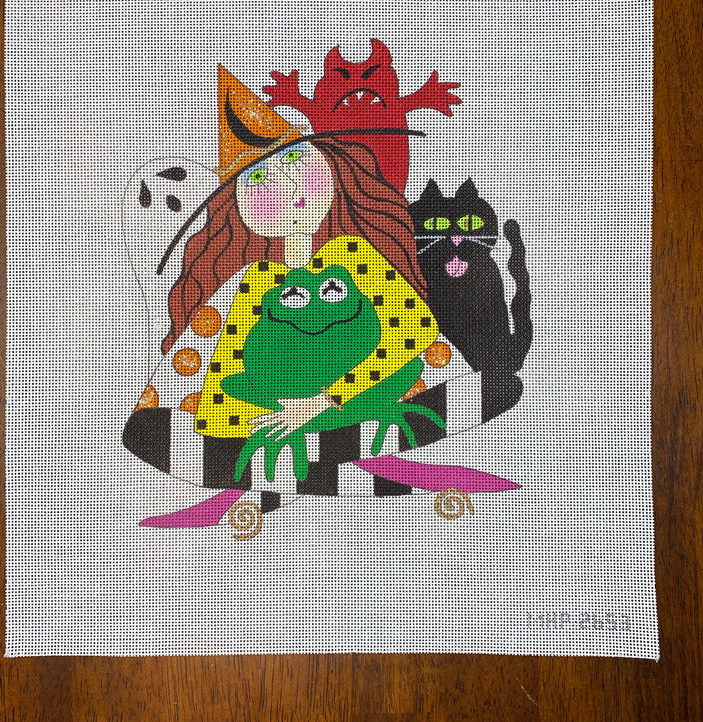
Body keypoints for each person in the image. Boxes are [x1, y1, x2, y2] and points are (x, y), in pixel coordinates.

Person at [123, 68, 519, 528]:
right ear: (236, 209)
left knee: (479, 388)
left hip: (364, 393)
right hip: (276, 415)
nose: (288, 187)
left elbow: (412, 331)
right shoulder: (255, 278)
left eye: (297, 161)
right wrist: (219, 421)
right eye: (259, 178)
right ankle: (333, 464)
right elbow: (223, 368)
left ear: (332, 169)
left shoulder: (352, 254)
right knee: (162, 428)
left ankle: (306, 466)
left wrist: (324, 401)